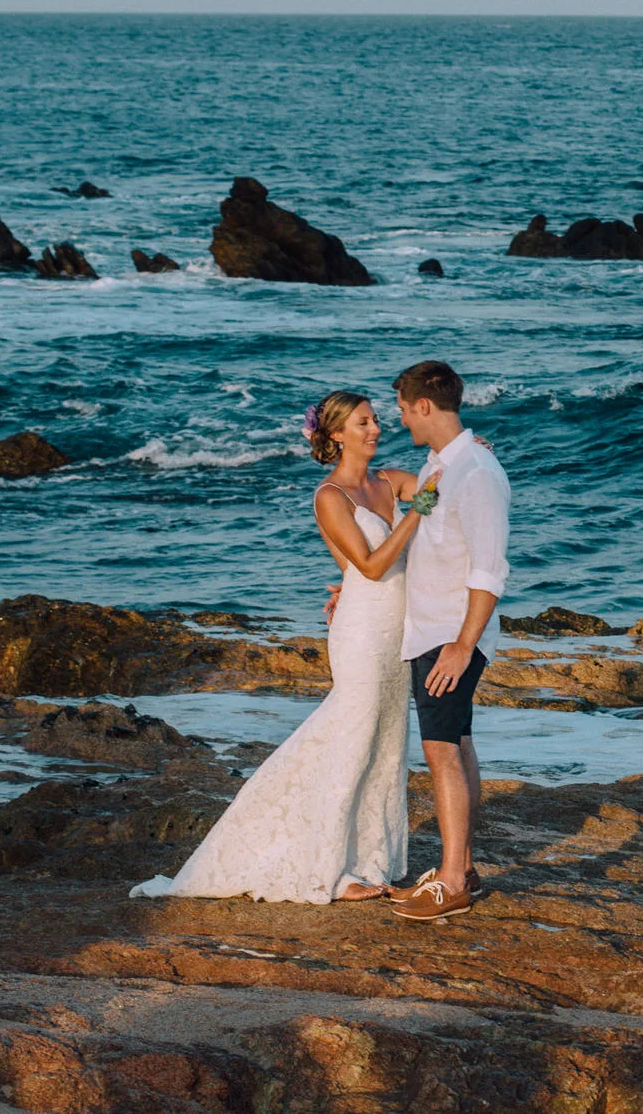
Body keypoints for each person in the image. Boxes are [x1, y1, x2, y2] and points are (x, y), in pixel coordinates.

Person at [129, 391, 434, 903]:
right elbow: (372, 565)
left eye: (377, 420)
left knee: (385, 743)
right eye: (363, 422)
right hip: (361, 631)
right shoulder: (330, 496)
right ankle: (327, 869)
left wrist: (468, 449)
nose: (375, 429)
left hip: (396, 631)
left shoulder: (387, 482)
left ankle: (366, 859)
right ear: (337, 435)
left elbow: (437, 478)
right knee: (351, 738)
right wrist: (417, 512)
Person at [384, 359, 510, 923]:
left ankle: (453, 881)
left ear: (425, 406)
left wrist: (463, 645)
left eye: (405, 410)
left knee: (440, 752)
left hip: (449, 635)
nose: (402, 419)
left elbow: (489, 569)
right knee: (454, 743)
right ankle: (463, 866)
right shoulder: (444, 463)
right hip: (435, 630)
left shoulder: (476, 472)